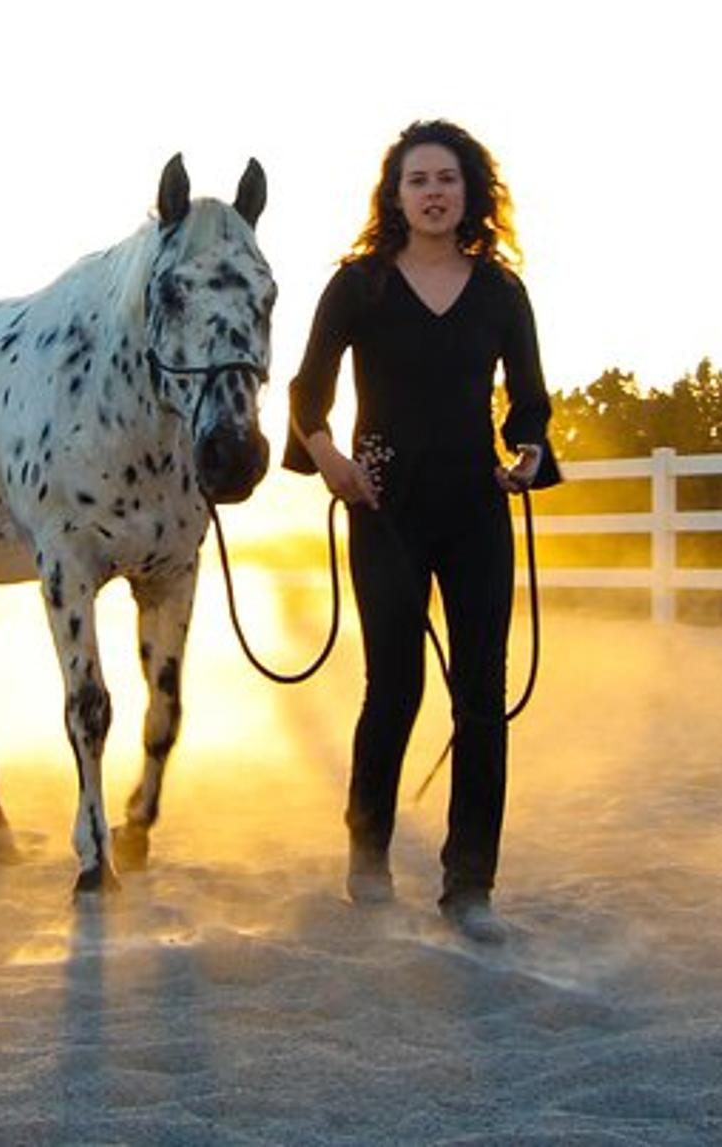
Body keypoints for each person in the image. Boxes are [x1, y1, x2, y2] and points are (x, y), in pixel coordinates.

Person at [282, 119, 561, 944]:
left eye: (447, 178)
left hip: (476, 508)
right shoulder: (358, 285)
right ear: (395, 194)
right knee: (394, 686)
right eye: (418, 179)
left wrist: (528, 453)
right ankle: (368, 855)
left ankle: (470, 885)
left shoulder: (502, 291)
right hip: (385, 507)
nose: (433, 192)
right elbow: (306, 392)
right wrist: (330, 460)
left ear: (470, 191)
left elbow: (530, 401)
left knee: (482, 695)